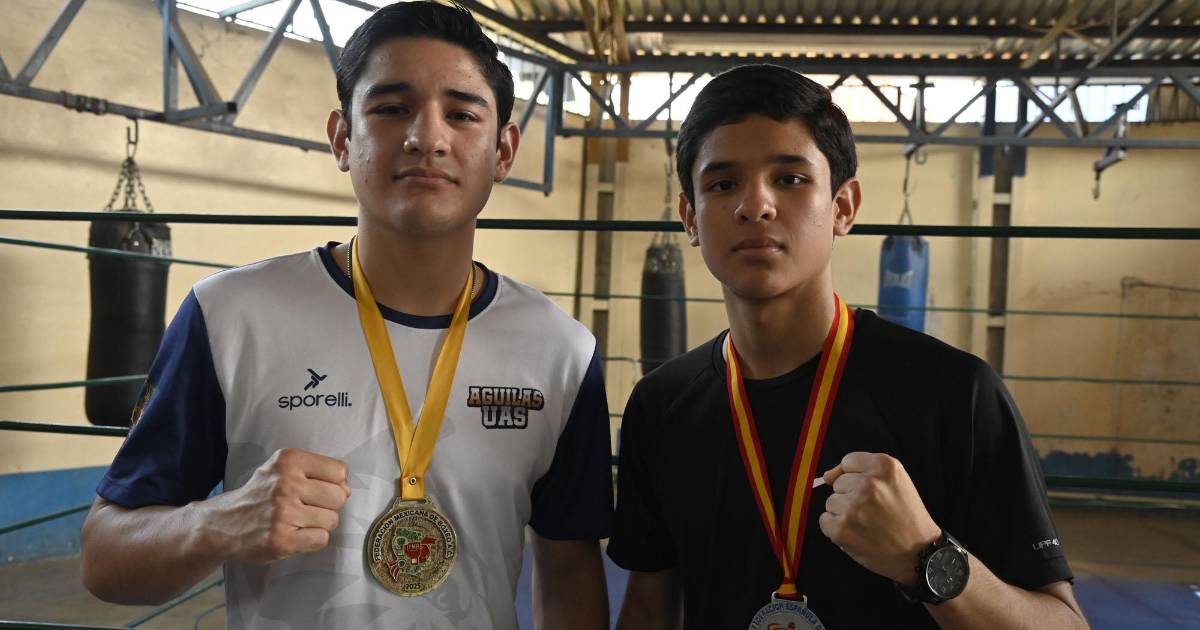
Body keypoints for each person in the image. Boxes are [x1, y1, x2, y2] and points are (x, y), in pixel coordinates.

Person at [80, 3, 612, 629]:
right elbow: (104, 559)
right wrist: (217, 523)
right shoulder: (230, 317)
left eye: (462, 114)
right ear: (341, 138)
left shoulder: (561, 352)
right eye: (391, 109)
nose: (426, 138)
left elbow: (570, 574)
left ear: (504, 151)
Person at [606, 65, 1089, 630]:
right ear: (690, 218)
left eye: (790, 179)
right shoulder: (661, 405)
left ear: (843, 207)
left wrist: (926, 556)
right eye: (723, 184)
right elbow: (649, 609)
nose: (755, 206)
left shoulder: (955, 394)